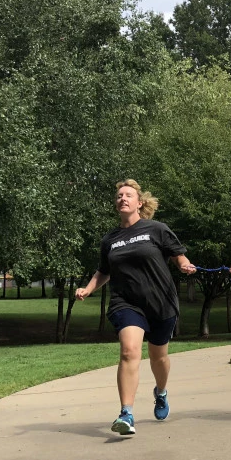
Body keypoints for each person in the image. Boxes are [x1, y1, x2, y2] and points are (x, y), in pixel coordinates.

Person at [76, 179, 196, 436]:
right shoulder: (110, 239)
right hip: (126, 302)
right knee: (130, 352)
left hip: (161, 301)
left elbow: (178, 254)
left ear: (139, 203)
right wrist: (88, 288)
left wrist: (184, 265)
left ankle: (161, 392)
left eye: (128, 195)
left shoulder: (156, 229)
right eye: (119, 195)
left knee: (158, 357)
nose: (122, 198)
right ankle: (126, 413)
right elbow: (103, 271)